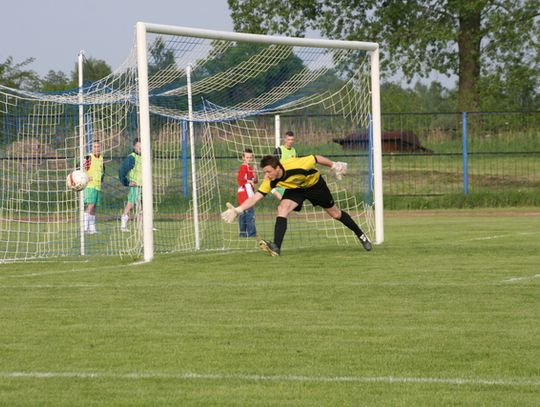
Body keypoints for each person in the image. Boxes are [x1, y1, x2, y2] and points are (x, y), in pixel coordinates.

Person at [221, 154, 372, 256]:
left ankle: (361, 235)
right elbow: (256, 197)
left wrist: (334, 165)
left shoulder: (297, 165)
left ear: (277, 168)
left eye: (268, 171)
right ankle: (276, 247)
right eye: (265, 172)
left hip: (315, 186)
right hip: (296, 190)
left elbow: (315, 158)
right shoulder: (270, 180)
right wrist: (239, 209)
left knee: (335, 214)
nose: (266, 175)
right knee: (282, 208)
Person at [118, 138, 142, 232]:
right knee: (130, 205)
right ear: (134, 147)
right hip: (136, 186)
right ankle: (123, 224)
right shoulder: (131, 158)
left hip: (145, 186)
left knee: (144, 206)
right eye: (138, 146)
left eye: (142, 146)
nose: (140, 148)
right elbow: (121, 171)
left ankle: (146, 225)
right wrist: (127, 182)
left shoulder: (146, 156)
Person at [83, 141, 104, 234]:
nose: (96, 148)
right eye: (94, 146)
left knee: (94, 207)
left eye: (98, 146)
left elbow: (102, 171)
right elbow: (78, 167)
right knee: (90, 205)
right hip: (90, 186)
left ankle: (92, 229)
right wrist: (85, 177)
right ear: (92, 148)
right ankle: (84, 228)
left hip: (98, 186)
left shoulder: (101, 158)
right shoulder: (88, 157)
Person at [236, 148, 258, 237]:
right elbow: (240, 180)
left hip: (249, 193)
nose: (249, 159)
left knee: (243, 214)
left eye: (250, 157)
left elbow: (255, 181)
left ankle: (243, 234)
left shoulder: (250, 168)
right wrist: (248, 182)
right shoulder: (243, 167)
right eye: (247, 157)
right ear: (243, 158)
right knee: (249, 214)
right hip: (245, 194)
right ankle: (252, 234)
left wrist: (255, 172)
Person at [272, 130, 297, 200]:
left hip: (290, 179)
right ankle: (273, 189)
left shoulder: (294, 150)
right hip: (281, 180)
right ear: (285, 139)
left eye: (292, 140)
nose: (290, 141)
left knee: (288, 202)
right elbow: (273, 165)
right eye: (288, 139)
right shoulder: (279, 150)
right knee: (285, 200)